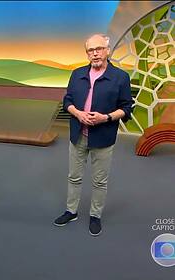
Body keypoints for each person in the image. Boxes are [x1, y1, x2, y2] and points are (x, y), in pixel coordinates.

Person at [53, 34, 133, 236]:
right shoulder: (77, 74)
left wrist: (105, 118)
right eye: (90, 50)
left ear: (107, 50)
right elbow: (67, 101)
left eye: (99, 49)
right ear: (87, 53)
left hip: (103, 137)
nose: (95, 53)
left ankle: (95, 215)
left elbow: (126, 108)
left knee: (99, 181)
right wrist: (78, 113)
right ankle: (71, 211)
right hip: (78, 134)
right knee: (74, 177)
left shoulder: (121, 77)